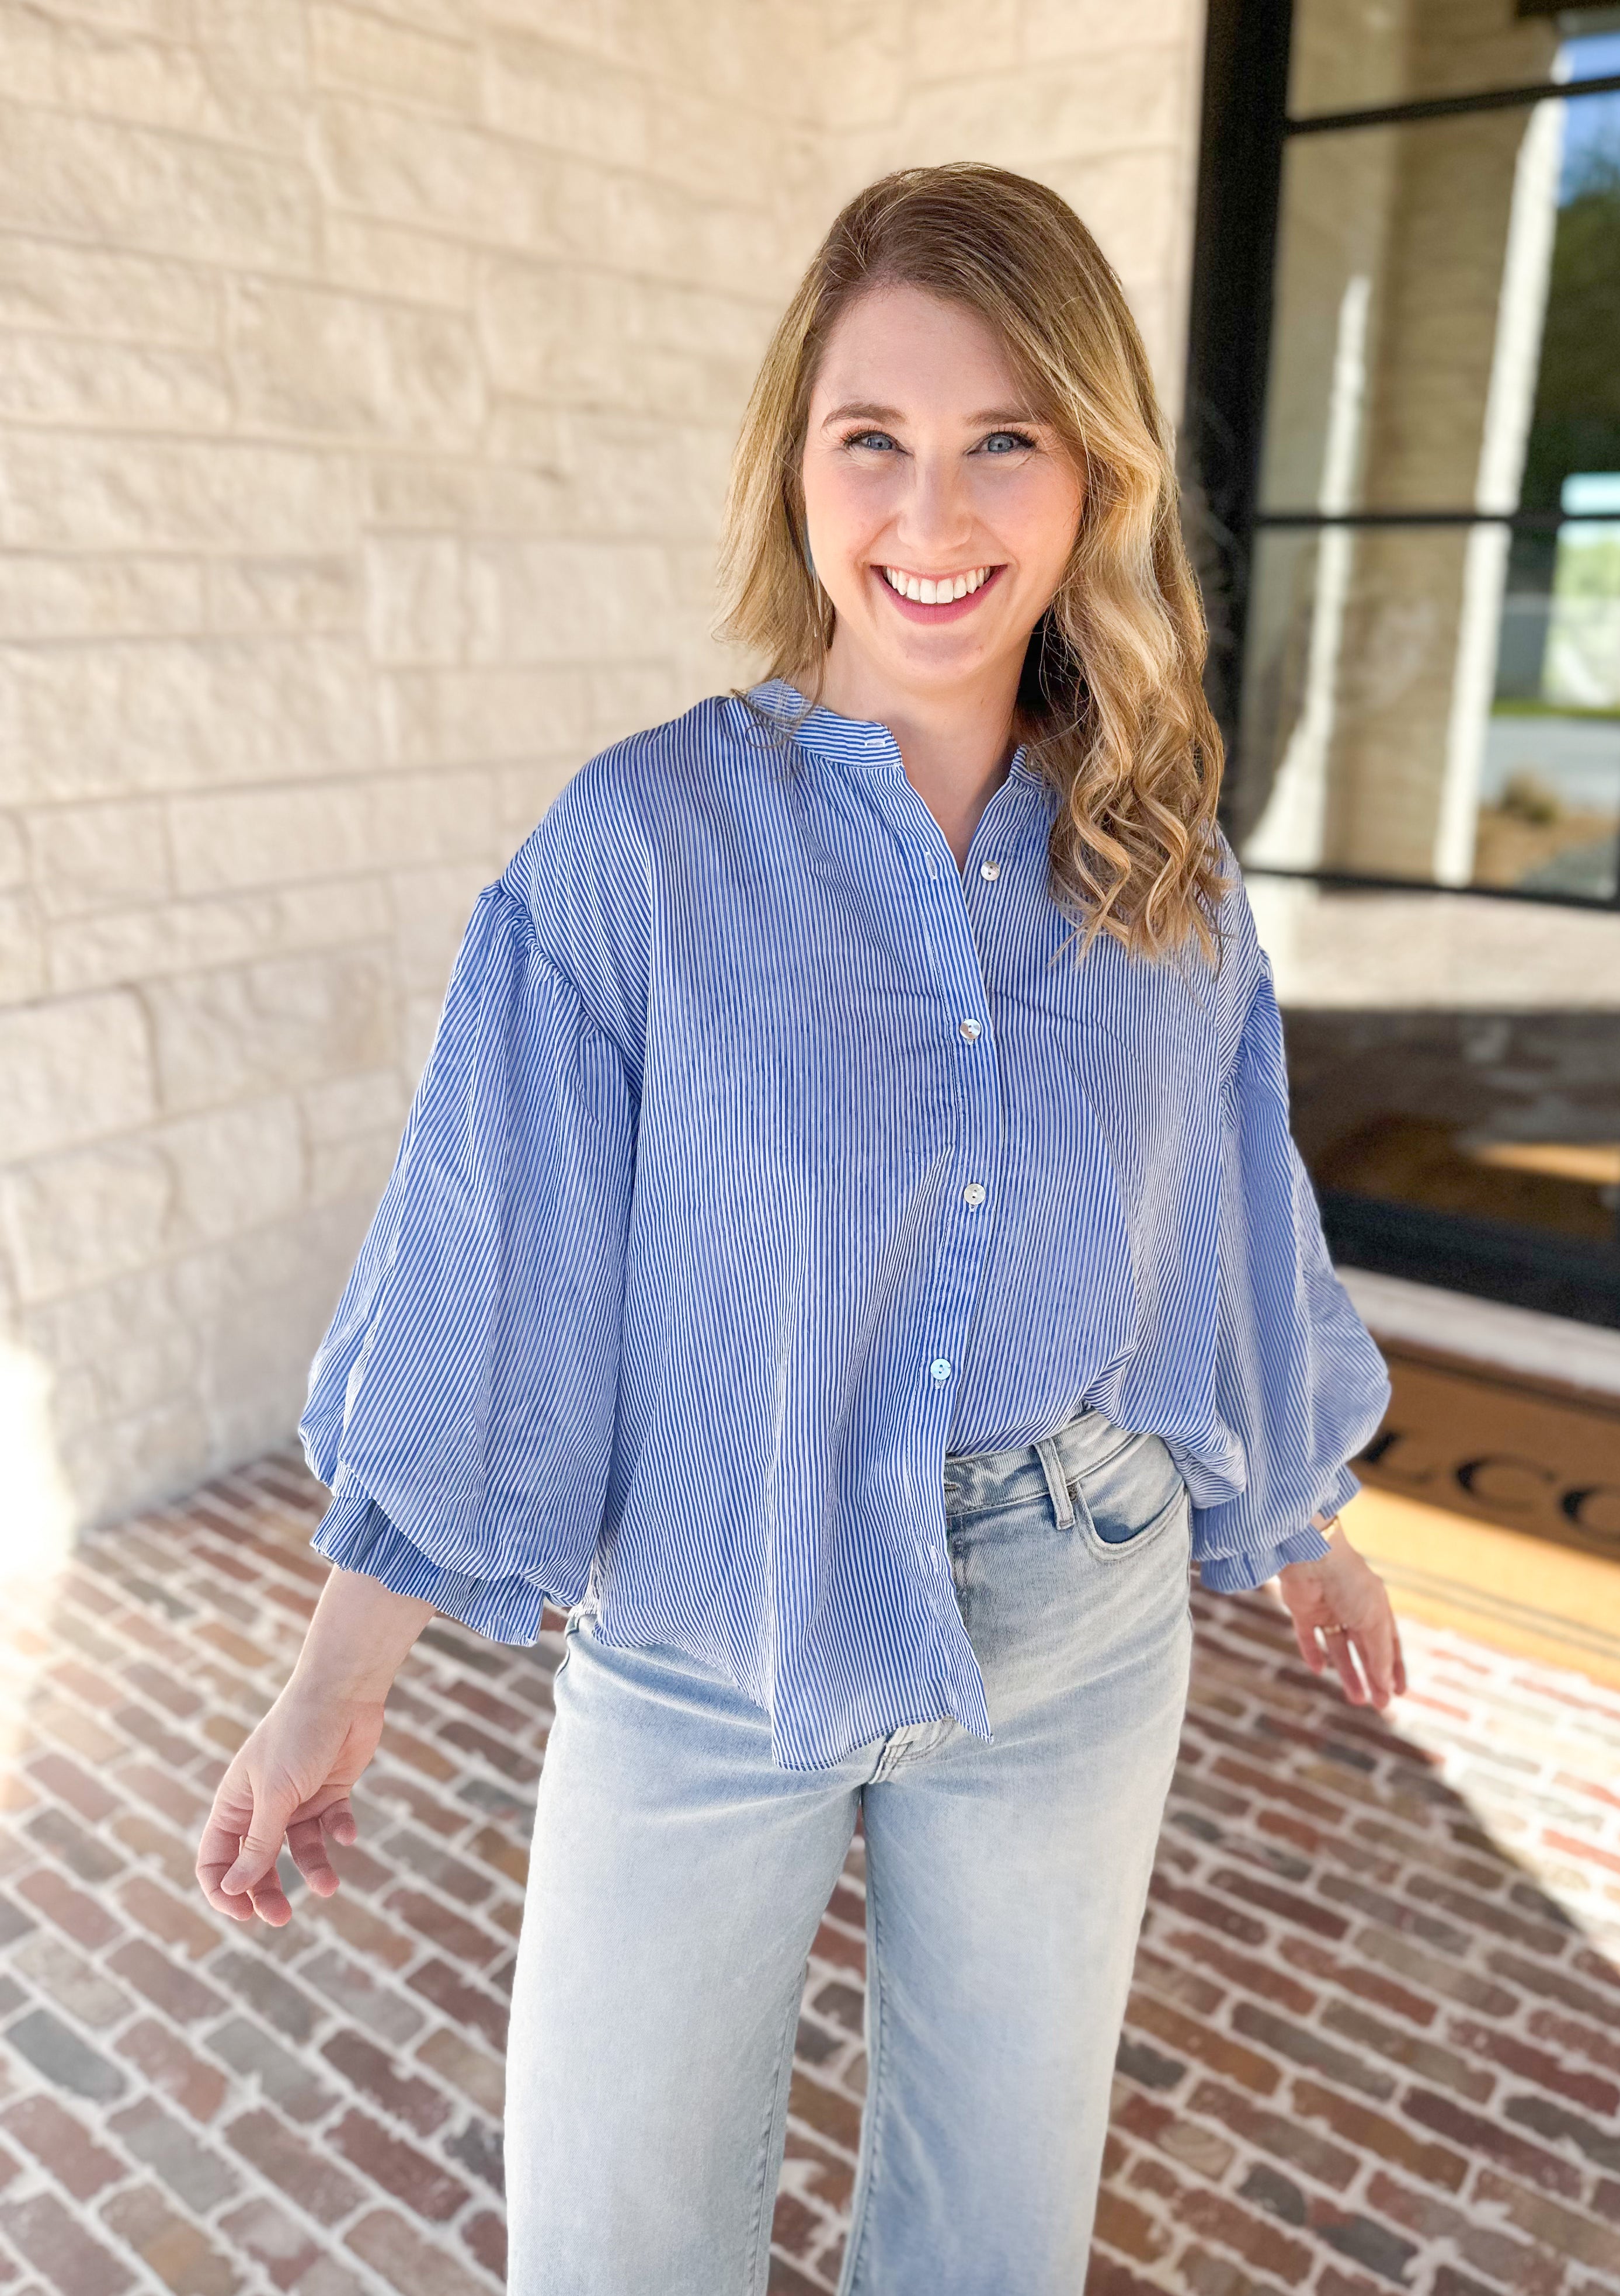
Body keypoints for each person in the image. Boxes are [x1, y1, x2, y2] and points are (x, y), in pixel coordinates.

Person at [196, 162, 1405, 2295]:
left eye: (1000, 442)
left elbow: (1227, 1197)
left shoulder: (1160, 856)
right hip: (702, 1611)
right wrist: (333, 1683)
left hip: (1079, 1599)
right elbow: (502, 1255)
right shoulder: (637, 847)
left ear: (1092, 476)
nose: (932, 521)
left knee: (991, 2233)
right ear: (799, 468)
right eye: (878, 442)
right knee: (613, 2227)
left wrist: (1294, 1511)